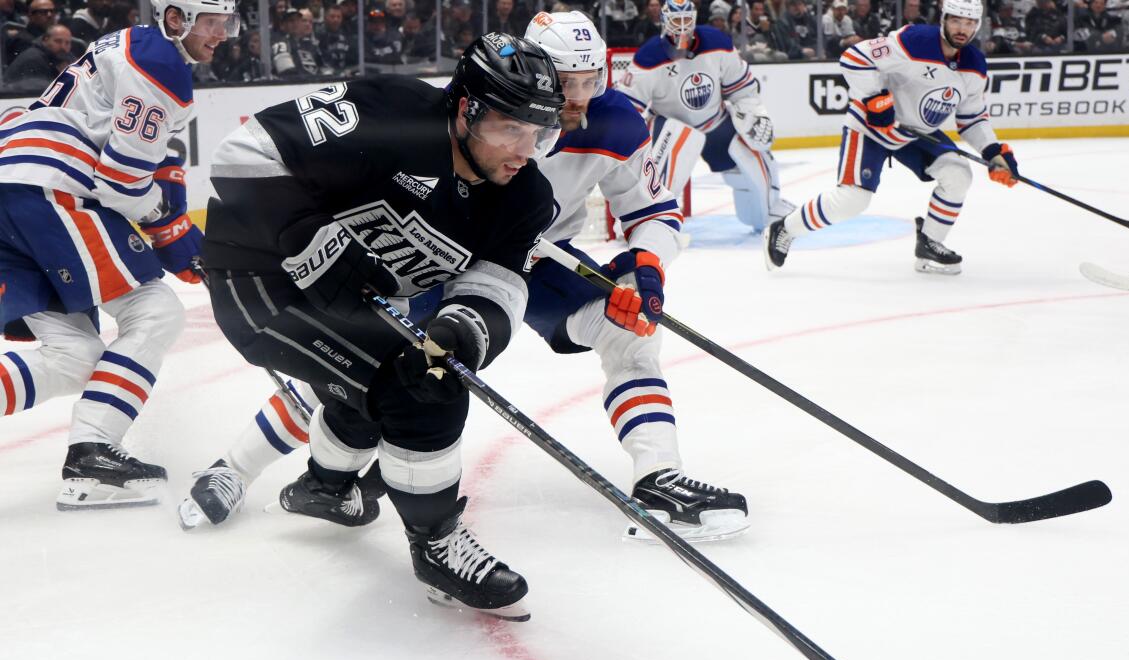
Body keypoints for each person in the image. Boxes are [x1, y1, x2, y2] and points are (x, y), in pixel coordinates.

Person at [180, 12, 749, 544]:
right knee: (357, 367)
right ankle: (236, 466)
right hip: (438, 254)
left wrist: (645, 268)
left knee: (628, 335)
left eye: (589, 80)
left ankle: (659, 477)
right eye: (564, 81)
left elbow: (652, 211)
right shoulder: (496, 103)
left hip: (531, 258)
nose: (576, 99)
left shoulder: (620, 123)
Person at [194, 34, 563, 620]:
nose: (524, 149)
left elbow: (499, 286)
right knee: (415, 393)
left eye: (539, 133)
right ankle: (436, 543)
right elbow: (241, 153)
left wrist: (464, 330)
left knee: (416, 374)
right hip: (258, 278)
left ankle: (323, 487)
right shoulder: (391, 113)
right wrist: (316, 245)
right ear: (465, 108)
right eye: (509, 129)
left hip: (352, 305)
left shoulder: (524, 197)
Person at [0, 0, 237, 509]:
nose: (221, 34)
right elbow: (122, 182)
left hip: (15, 177)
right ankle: (93, 450)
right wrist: (172, 232)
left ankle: (91, 459)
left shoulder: (128, 44)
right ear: (176, 18)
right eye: (211, 22)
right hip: (50, 184)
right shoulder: (160, 60)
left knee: (75, 356)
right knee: (155, 310)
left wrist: (169, 211)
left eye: (228, 23)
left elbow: (145, 159)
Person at [763, 0, 1019, 275]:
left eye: (969, 23)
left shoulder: (974, 65)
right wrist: (876, 100)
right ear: (943, 19)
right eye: (956, 21)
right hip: (870, 127)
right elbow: (854, 58)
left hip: (916, 133)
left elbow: (971, 117)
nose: (962, 29)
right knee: (852, 200)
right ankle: (784, 228)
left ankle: (930, 243)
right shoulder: (915, 41)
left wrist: (993, 152)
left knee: (958, 173)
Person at [617, 0, 794, 233]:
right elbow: (628, 107)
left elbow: (742, 87)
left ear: (695, 18)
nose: (681, 27)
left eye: (686, 19)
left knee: (756, 152)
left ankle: (769, 208)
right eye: (676, 20)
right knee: (656, 173)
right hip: (671, 126)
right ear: (664, 20)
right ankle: (646, 218)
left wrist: (753, 113)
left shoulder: (717, 42)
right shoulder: (648, 57)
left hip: (714, 122)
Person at [4, 21, 71, 91]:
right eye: (58, 41)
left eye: (67, 43)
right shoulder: (33, 59)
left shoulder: (60, 56)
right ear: (45, 40)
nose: (63, 46)